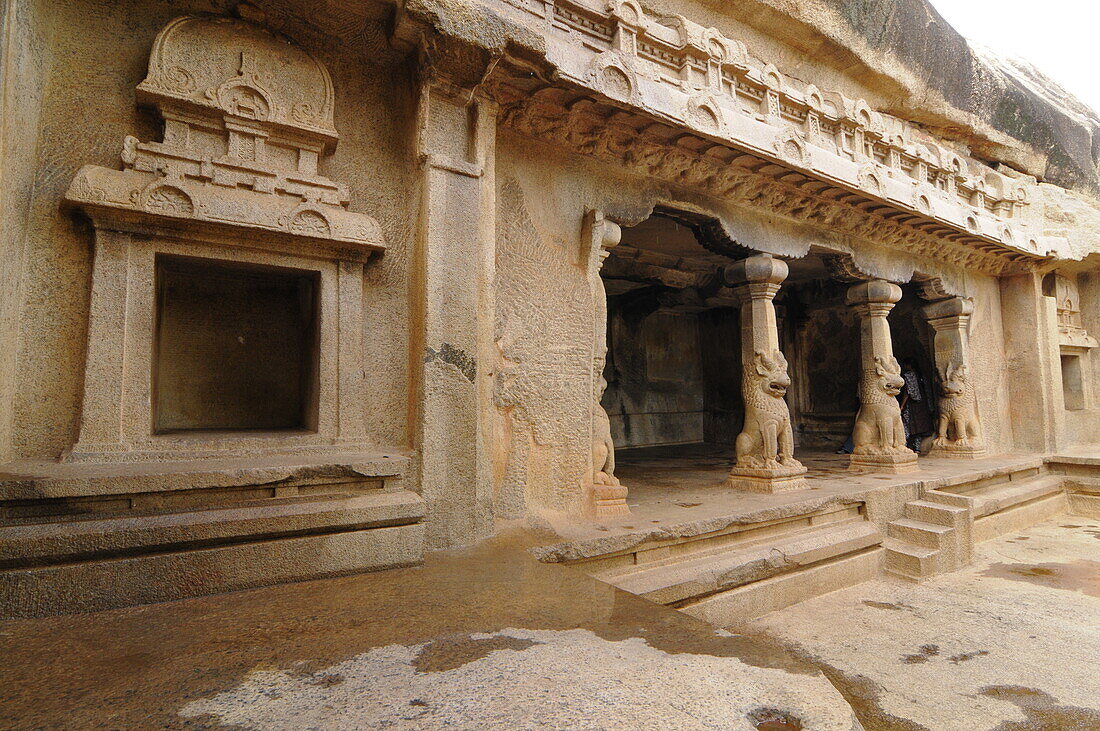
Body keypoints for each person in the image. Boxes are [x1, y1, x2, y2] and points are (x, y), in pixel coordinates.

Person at [898, 358, 933, 452]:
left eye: (905, 365)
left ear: (909, 365)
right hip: (922, 405)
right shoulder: (921, 375)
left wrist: (902, 405)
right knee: (919, 427)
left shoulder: (908, 376)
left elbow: (907, 392)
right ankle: (917, 447)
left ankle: (903, 445)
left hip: (912, 404)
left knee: (907, 424)